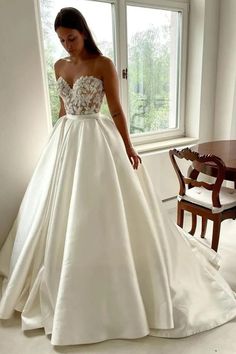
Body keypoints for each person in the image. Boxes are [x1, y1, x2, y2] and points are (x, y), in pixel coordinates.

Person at [0, 6, 236, 347]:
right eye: (62, 40)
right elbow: (63, 110)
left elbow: (115, 109)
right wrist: (57, 139)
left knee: (102, 205)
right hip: (66, 140)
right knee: (56, 208)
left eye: (72, 38)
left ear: (84, 33)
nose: (67, 46)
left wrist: (129, 146)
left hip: (97, 138)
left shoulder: (103, 64)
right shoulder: (59, 66)